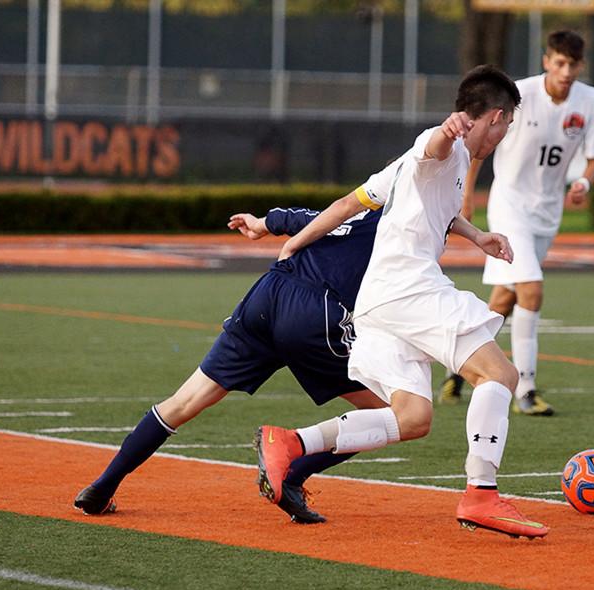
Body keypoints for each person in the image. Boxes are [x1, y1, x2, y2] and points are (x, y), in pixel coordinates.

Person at [254, 65, 549, 539]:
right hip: (409, 289)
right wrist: (446, 133)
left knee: (413, 418)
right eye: (507, 124)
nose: (505, 133)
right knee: (501, 374)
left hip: (378, 301)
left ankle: (290, 442)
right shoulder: (442, 147)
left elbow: (350, 204)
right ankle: (482, 495)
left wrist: (478, 237)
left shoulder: (427, 168)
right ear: (494, 117)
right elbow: (433, 148)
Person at [74, 203, 390, 524]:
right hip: (313, 312)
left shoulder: (359, 208)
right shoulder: (405, 224)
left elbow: (298, 218)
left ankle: (103, 485)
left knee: (183, 402)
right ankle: (292, 475)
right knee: (390, 415)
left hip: (269, 294)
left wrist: (261, 223)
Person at [439, 30, 594, 416]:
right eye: (559, 62)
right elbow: (481, 142)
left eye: (573, 64)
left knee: (504, 300)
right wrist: (467, 196)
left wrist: (582, 182)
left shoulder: (590, 100)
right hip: (509, 205)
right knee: (531, 290)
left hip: (547, 214)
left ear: (581, 66)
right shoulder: (520, 95)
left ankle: (456, 366)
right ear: (547, 61)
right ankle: (526, 389)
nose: (565, 71)